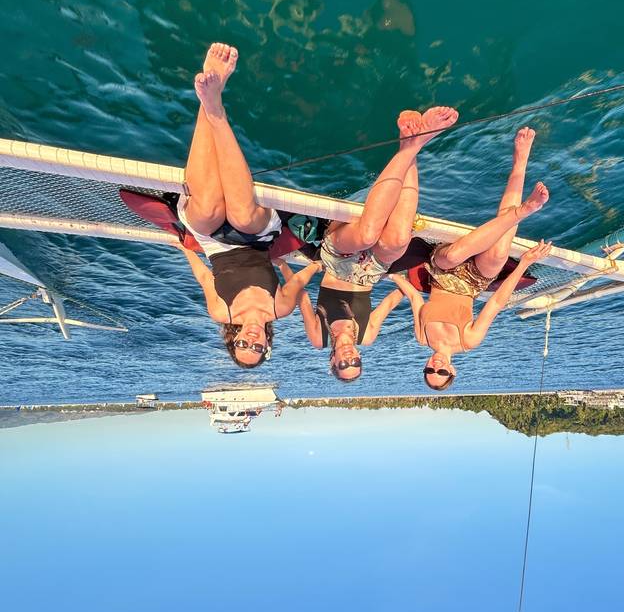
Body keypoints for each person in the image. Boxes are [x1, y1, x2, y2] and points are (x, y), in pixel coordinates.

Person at [287, 106, 459, 382]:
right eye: (354, 362)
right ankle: (410, 146)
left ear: (332, 361)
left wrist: (289, 265)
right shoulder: (367, 335)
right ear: (359, 357)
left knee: (368, 234)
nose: (348, 358)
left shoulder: (318, 336)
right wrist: (404, 283)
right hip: (370, 273)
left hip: (336, 264)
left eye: (343, 364)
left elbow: (300, 296)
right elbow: (391, 301)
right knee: (399, 240)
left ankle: (413, 144)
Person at [177, 43, 321, 367]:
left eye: (242, 344)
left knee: (206, 212)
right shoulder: (279, 309)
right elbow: (296, 282)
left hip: (215, 245)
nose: (251, 341)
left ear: (234, 337)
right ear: (267, 344)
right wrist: (315, 266)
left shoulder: (220, 311)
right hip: (257, 240)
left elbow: (203, 276)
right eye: (257, 349)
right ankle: (214, 105)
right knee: (242, 214)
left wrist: (183, 244)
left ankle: (211, 101)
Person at [392, 127, 552, 389]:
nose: (436, 366)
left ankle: (522, 211)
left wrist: (390, 273)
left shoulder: (422, 337)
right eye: (441, 373)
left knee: (454, 253)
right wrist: (524, 262)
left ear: (425, 365)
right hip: (473, 284)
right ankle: (520, 159)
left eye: (429, 370)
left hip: (442, 273)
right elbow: (497, 302)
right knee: (500, 253)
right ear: (452, 371)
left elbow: (413, 296)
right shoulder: (469, 341)